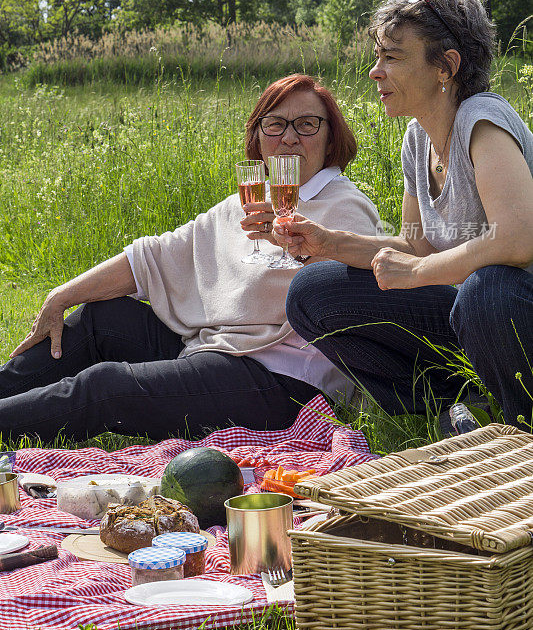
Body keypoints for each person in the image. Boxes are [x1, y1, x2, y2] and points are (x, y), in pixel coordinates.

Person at [0, 74, 379, 443]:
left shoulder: (346, 209)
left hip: (282, 383)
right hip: (216, 351)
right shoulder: (246, 203)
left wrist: (294, 247)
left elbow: (342, 297)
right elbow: (155, 256)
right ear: (258, 137)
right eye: (275, 124)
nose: (290, 136)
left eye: (308, 124)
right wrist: (62, 295)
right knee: (102, 318)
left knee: (107, 386)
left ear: (331, 137)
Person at [284, 0, 533, 426]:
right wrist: (327, 242)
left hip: (510, 309)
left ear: (446, 66)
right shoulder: (418, 138)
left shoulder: (484, 122)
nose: (375, 71)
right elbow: (417, 247)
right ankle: (449, 407)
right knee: (311, 291)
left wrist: (419, 273)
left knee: (486, 288)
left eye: (392, 57)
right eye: (377, 56)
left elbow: (518, 239)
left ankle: (519, 426)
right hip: (469, 314)